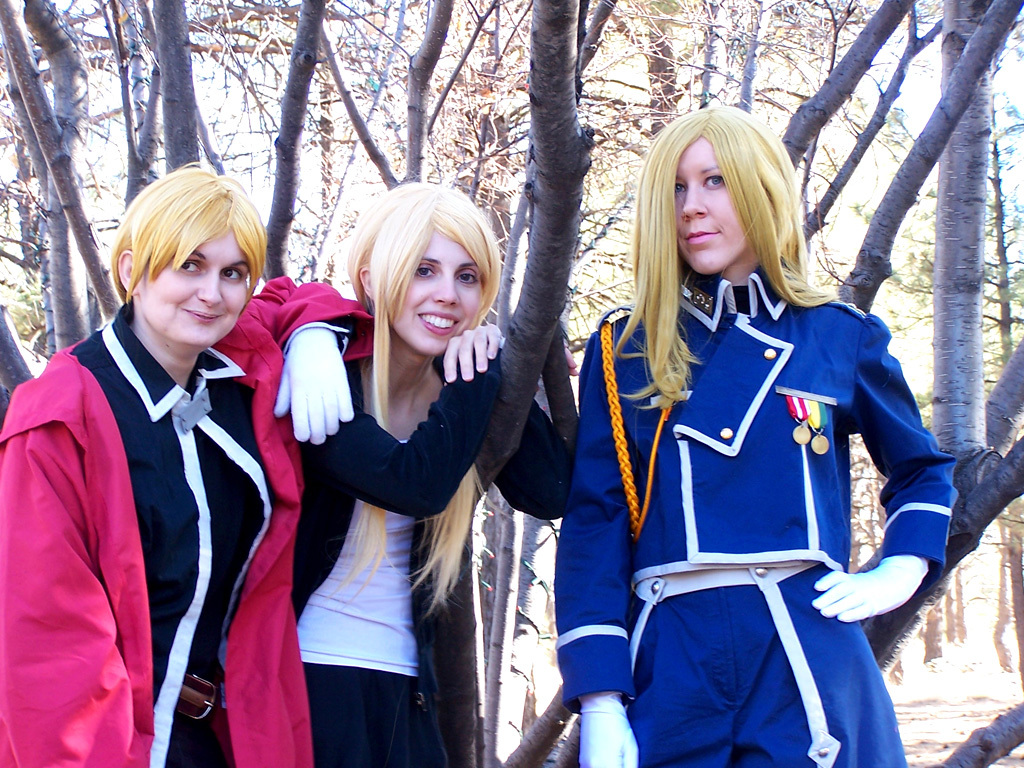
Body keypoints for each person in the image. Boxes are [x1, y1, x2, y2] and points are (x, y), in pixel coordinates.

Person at [554, 107, 956, 768]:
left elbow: (923, 470)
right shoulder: (623, 347)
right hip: (671, 653)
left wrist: (902, 566)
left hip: (804, 645)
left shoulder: (837, 334)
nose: (692, 205)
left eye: (715, 180)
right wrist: (599, 696)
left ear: (762, 189)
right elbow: (597, 520)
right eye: (676, 188)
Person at [0, 167, 370, 768]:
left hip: (227, 735)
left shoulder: (236, 372)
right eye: (189, 265)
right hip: (117, 744)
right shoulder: (62, 415)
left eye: (233, 273)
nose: (212, 294)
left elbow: (294, 299)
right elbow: (49, 642)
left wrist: (316, 336)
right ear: (131, 270)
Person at [283, 183, 570, 768]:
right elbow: (415, 485)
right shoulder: (327, 374)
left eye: (467, 277)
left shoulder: (457, 382)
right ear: (372, 278)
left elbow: (550, 492)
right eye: (424, 270)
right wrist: (309, 332)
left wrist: (505, 365)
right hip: (307, 683)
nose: (448, 295)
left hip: (410, 696)